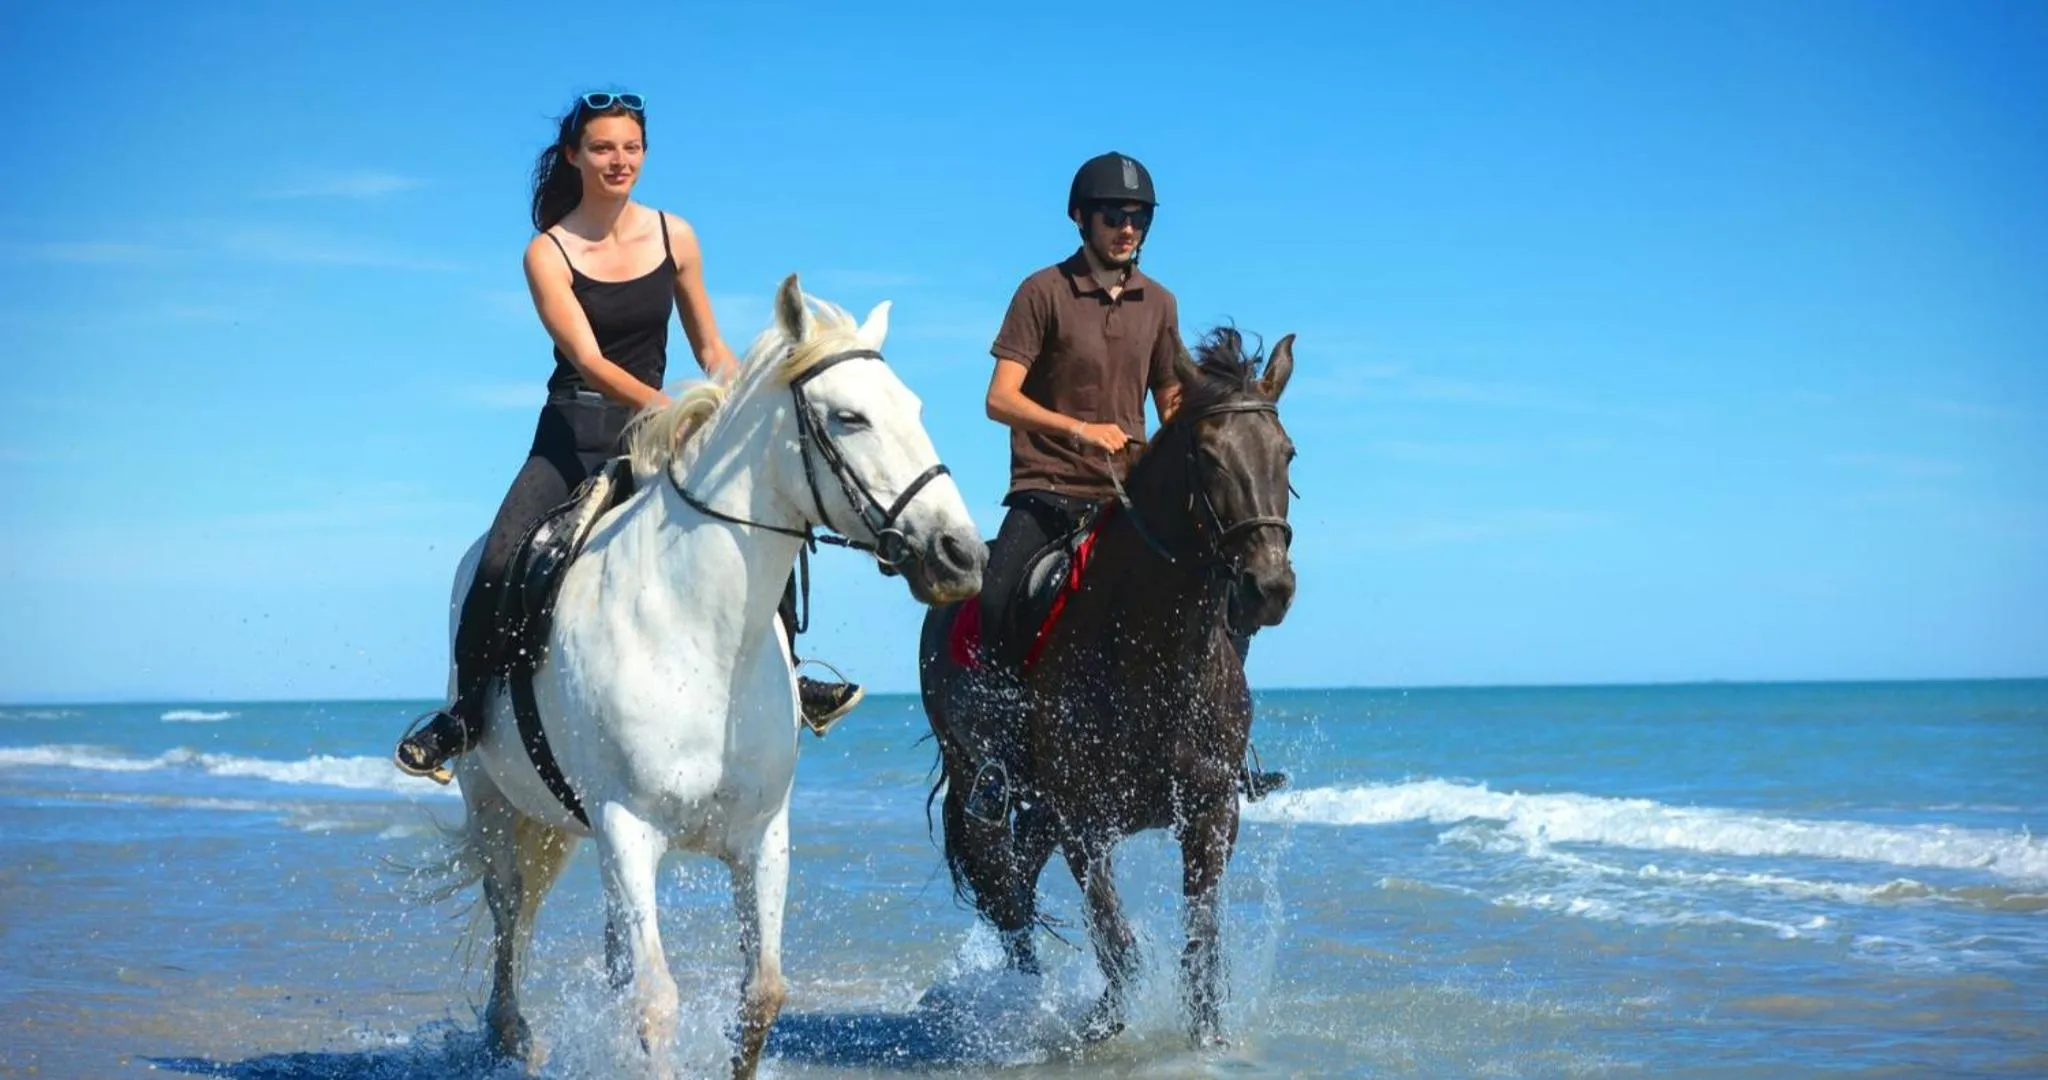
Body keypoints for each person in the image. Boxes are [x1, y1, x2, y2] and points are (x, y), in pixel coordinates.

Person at [394, 91, 861, 784]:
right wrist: (669, 406)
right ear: (576, 155)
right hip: (574, 431)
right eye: (605, 148)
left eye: (632, 148)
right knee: (498, 562)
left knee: (762, 516)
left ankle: (791, 675)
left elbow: (710, 345)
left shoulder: (676, 235)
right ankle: (462, 719)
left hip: (658, 430)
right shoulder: (547, 251)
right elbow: (587, 359)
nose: (620, 161)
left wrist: (736, 398)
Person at [968, 151, 1286, 817]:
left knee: (1225, 586)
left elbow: (1172, 401)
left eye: (1139, 218)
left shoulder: (1160, 302)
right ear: (1082, 218)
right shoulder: (1042, 292)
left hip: (1129, 497)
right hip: (1049, 486)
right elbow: (1000, 399)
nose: (1128, 228)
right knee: (997, 596)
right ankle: (997, 758)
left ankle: (1227, 749)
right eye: (1115, 215)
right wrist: (1080, 431)